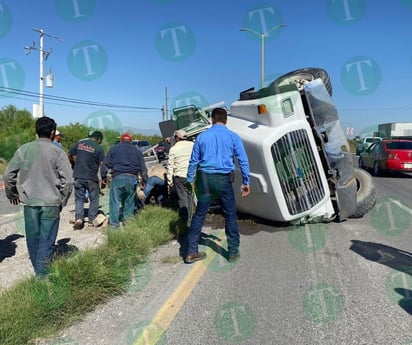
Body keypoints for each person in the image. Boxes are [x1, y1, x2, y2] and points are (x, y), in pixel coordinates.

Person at [4, 116, 73, 277]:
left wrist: (12, 193)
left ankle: (39, 274)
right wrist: (62, 200)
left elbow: (8, 176)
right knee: (47, 241)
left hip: (30, 203)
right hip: (51, 203)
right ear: (52, 132)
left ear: (37, 131)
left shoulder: (24, 149)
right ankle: (42, 277)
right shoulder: (58, 152)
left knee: (33, 240)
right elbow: (68, 181)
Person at [185, 107, 251, 264]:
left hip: (205, 179)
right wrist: (246, 181)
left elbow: (194, 160)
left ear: (212, 119)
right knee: (230, 215)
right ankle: (233, 252)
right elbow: (243, 160)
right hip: (223, 180)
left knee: (200, 214)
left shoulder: (201, 137)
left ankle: (191, 252)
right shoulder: (233, 137)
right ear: (226, 120)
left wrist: (189, 179)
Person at [101, 133, 148, 228]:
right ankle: (128, 223)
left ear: (121, 140)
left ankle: (114, 226)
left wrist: (103, 177)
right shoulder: (137, 151)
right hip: (132, 178)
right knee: (130, 202)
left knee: (114, 202)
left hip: (117, 177)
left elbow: (105, 165)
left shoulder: (114, 148)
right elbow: (143, 169)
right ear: (131, 141)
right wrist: (144, 181)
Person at [68, 130, 105, 229]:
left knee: (79, 198)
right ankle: (92, 220)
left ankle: (79, 218)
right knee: (94, 198)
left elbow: (69, 154)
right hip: (92, 177)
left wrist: (74, 164)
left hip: (78, 176)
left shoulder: (80, 143)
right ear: (98, 139)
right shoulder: (98, 148)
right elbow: (102, 164)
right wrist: (104, 177)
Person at [166, 129, 194, 228]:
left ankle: (184, 221)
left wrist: (169, 181)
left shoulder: (173, 149)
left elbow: (170, 166)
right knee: (190, 199)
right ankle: (190, 221)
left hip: (180, 177)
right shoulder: (193, 145)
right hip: (191, 176)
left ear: (177, 138)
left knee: (182, 199)